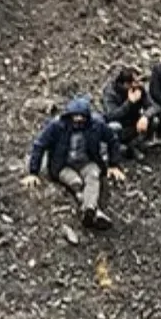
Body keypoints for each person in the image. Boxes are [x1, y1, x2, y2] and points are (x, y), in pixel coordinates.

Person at [23, 97, 125, 230]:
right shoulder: (57, 126)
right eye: (75, 116)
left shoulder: (96, 125)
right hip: (63, 165)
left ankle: (89, 209)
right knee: (76, 182)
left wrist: (114, 165)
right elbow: (39, 145)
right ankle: (95, 211)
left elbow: (112, 139)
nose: (78, 119)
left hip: (87, 162)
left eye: (82, 116)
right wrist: (33, 172)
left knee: (93, 176)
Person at [101, 66, 153, 160]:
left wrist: (145, 116)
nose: (138, 84)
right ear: (126, 84)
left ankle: (134, 144)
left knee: (154, 120)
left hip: (134, 120)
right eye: (135, 82)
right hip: (119, 123)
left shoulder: (138, 88)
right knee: (114, 127)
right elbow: (112, 115)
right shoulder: (110, 92)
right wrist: (129, 102)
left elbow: (150, 106)